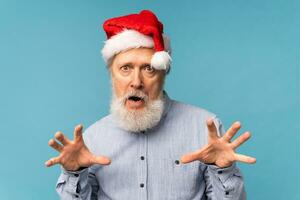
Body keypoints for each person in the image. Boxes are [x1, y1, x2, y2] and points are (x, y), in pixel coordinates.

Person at [45, 10, 256, 200]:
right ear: (112, 75)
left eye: (148, 69)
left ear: (164, 74)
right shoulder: (93, 138)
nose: (136, 82)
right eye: (125, 68)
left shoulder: (203, 127)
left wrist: (223, 169)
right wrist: (74, 174)